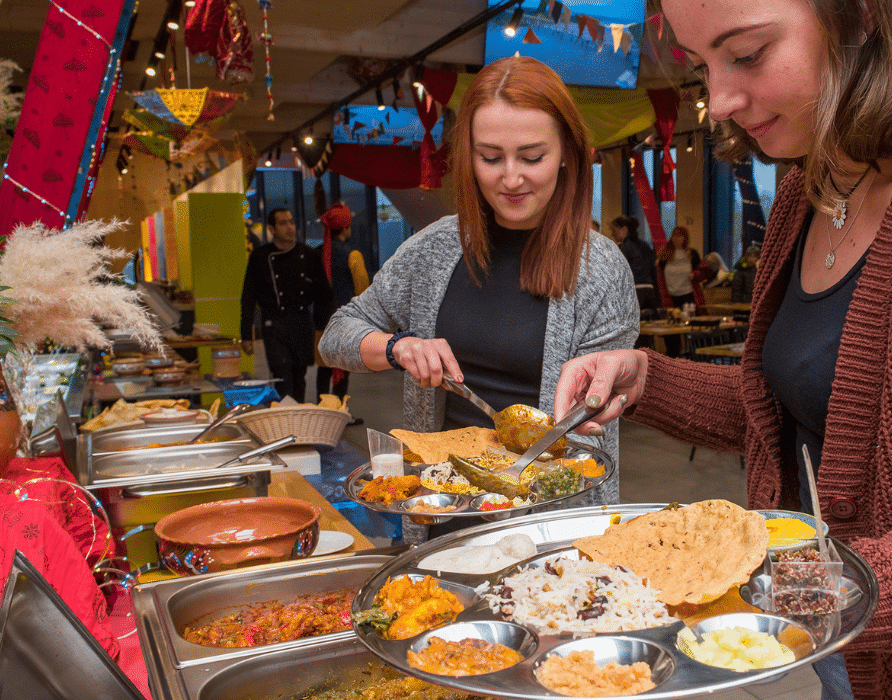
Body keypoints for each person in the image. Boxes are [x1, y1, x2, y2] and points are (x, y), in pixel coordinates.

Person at [553, 1, 892, 700]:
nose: (719, 100)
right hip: (851, 645)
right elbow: (816, 410)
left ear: (863, 15)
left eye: (747, 54)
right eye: (701, 67)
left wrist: (749, 584)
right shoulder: (811, 186)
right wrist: (643, 378)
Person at [320, 56, 639, 539]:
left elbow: (593, 416)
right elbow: (335, 337)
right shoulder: (435, 248)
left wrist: (598, 403)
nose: (511, 178)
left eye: (532, 157)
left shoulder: (600, 268)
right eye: (490, 157)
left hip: (553, 527)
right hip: (445, 514)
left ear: (569, 155)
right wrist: (399, 347)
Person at [240, 207, 333, 402]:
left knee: (299, 378)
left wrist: (328, 327)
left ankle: (296, 421)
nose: (290, 227)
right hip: (274, 325)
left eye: (291, 222)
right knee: (283, 379)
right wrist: (246, 334)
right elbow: (248, 297)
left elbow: (324, 294)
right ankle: (285, 423)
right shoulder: (260, 257)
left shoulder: (309, 255)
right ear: (272, 229)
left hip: (301, 323)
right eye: (283, 223)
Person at [314, 202, 369, 416]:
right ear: (346, 227)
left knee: (323, 367)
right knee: (342, 367)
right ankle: (339, 414)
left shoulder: (316, 254)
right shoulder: (353, 254)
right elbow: (362, 289)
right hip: (345, 321)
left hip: (320, 318)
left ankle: (320, 411)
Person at [610, 215, 660, 310]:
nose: (612, 234)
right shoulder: (645, 245)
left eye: (614, 230)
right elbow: (653, 269)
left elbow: (619, 273)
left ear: (624, 229)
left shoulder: (623, 248)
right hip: (650, 290)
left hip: (634, 291)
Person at [656, 225, 703, 309]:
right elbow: (660, 275)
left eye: (679, 236)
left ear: (685, 238)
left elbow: (701, 271)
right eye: (674, 235)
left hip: (688, 294)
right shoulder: (665, 255)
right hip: (671, 296)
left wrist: (694, 275)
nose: (676, 238)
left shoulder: (692, 254)